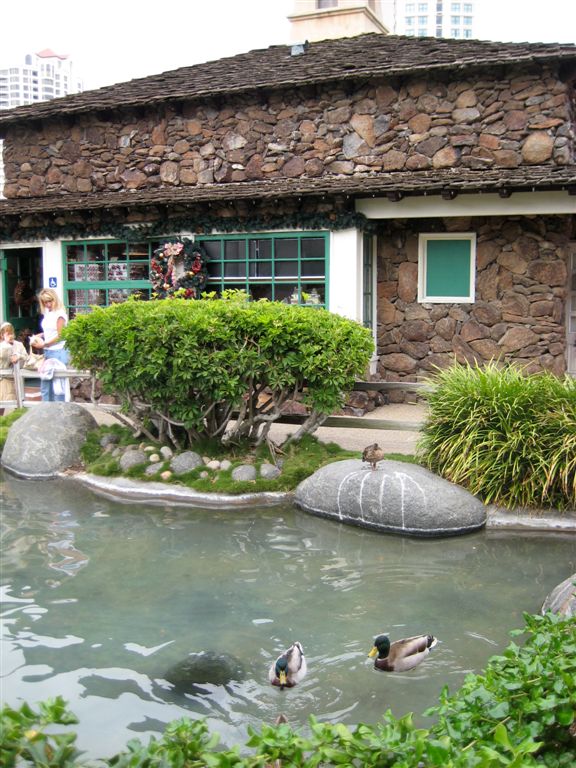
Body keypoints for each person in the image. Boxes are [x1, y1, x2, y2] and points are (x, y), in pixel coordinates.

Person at [30, 289, 70, 402]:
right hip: (48, 352)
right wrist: (39, 336)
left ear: (54, 299)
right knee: (45, 384)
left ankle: (59, 413)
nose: (47, 304)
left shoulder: (60, 314)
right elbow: (49, 331)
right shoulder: (48, 314)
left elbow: (61, 335)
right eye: (44, 302)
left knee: (58, 387)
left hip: (58, 351)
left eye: (49, 301)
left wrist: (45, 343)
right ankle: (45, 411)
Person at [0, 321, 29, 414]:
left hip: (17, 380)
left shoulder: (19, 345)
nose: (11, 335)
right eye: (7, 333)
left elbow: (26, 357)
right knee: (6, 404)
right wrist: (6, 343)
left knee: (19, 404)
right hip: (5, 380)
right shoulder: (2, 346)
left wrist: (18, 356)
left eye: (11, 332)